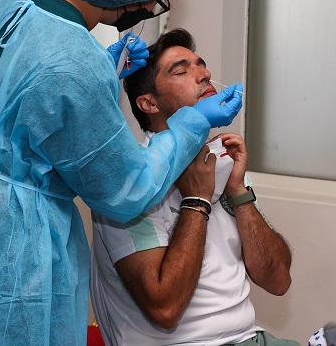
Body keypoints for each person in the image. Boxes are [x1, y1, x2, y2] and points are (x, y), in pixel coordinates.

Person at [0, 0, 243, 345]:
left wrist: (102, 71)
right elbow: (127, 192)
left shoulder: (9, 6)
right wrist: (192, 122)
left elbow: (18, 98)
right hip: (11, 241)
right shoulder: (74, 63)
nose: (152, 5)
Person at [90, 28, 301, 346]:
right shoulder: (127, 185)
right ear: (148, 103)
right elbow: (165, 308)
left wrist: (238, 193)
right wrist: (197, 200)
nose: (205, 75)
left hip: (248, 337)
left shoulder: (223, 162)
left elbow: (279, 280)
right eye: (181, 70)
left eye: (201, 64)